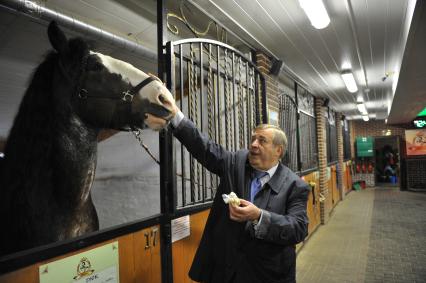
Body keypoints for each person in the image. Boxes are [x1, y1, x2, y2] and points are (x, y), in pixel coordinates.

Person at [169, 103, 310, 283]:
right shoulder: (236, 164)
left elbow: (298, 228)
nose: (253, 144)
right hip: (228, 271)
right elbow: (204, 148)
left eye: (262, 140)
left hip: (266, 274)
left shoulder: (294, 185)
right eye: (253, 139)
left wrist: (259, 216)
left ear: (278, 150)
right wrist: (175, 115)